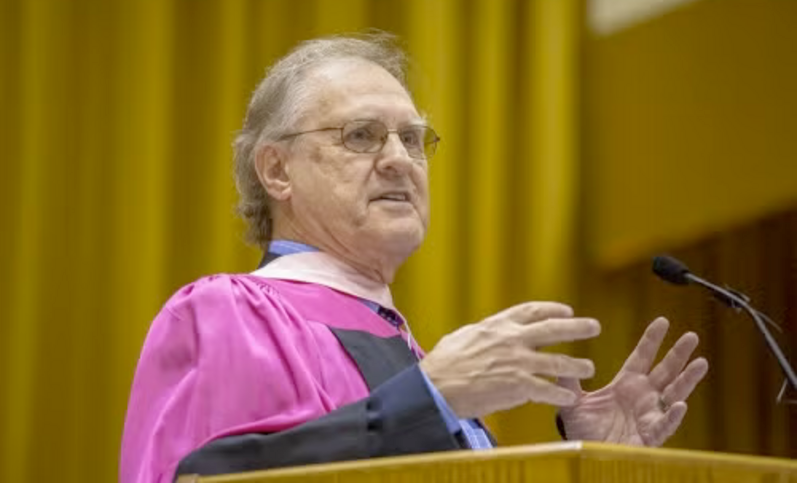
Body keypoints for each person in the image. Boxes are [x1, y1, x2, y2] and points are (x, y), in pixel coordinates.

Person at [119, 33, 709, 483]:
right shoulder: (230, 312)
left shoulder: (417, 358)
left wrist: (583, 462)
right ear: (277, 170)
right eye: (361, 136)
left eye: (413, 138)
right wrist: (429, 399)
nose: (400, 159)